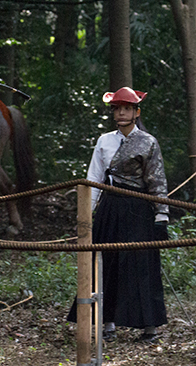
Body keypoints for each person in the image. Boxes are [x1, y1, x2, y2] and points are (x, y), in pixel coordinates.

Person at [68, 87, 169, 342]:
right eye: (117, 108)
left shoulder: (148, 141)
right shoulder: (104, 141)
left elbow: (156, 180)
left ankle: (150, 327)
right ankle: (107, 322)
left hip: (138, 208)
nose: (121, 112)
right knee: (106, 263)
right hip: (110, 207)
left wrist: (161, 215)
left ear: (136, 112)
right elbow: (94, 177)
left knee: (141, 265)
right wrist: (86, 216)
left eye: (127, 108)